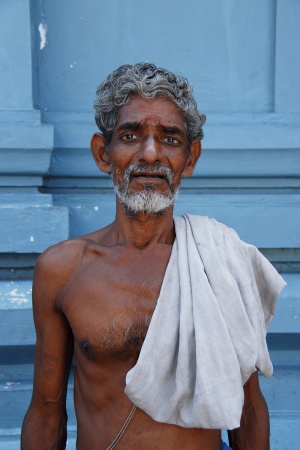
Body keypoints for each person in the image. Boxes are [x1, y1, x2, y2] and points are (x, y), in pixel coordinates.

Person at [21, 62, 286, 450]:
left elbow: (246, 409)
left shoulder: (220, 262)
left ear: (190, 158)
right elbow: (46, 411)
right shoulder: (62, 270)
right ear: (102, 153)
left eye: (170, 139)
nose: (150, 154)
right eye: (130, 135)